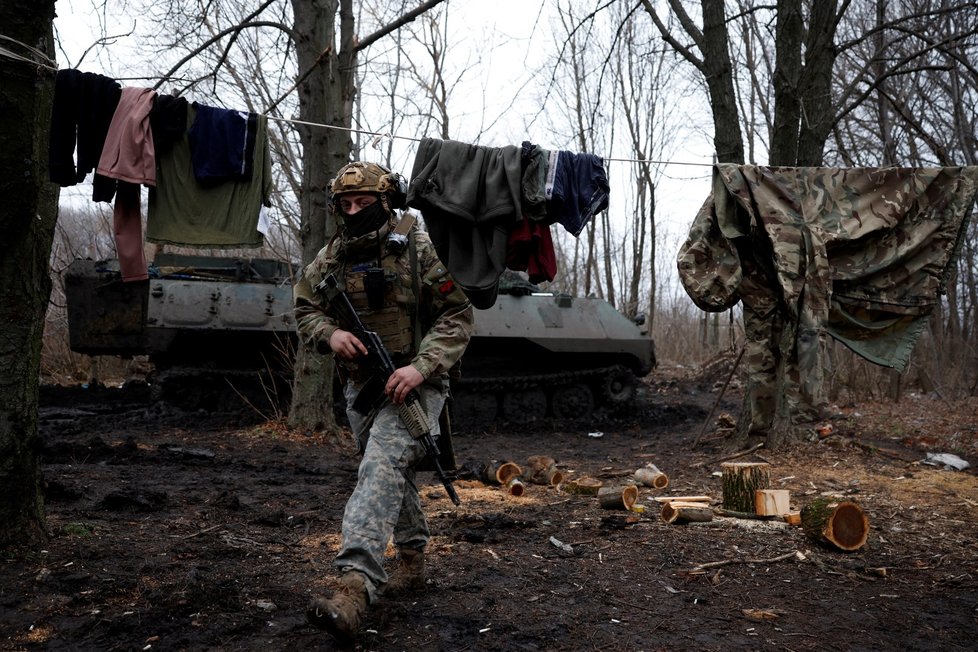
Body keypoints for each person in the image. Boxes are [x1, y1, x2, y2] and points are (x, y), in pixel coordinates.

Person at [293, 161, 474, 641]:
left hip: (416, 381)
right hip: (362, 387)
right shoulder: (331, 258)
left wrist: (422, 366)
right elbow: (304, 308)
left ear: (384, 202)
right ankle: (412, 560)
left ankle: (354, 587)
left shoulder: (416, 247)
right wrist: (330, 334)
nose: (354, 212)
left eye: (363, 204)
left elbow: (457, 314)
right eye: (346, 205)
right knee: (390, 471)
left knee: (381, 463)